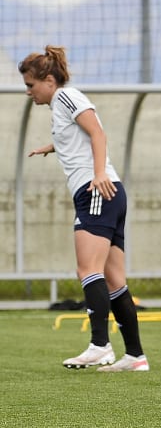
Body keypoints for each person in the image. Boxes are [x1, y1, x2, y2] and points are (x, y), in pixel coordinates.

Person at [20, 46, 149, 372]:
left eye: (31, 85)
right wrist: (53, 147)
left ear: (49, 80)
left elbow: (96, 132)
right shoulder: (60, 104)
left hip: (97, 191)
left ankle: (99, 346)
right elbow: (77, 136)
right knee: (113, 278)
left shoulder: (66, 96)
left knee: (87, 269)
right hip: (109, 193)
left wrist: (99, 173)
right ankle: (135, 356)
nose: (28, 92)